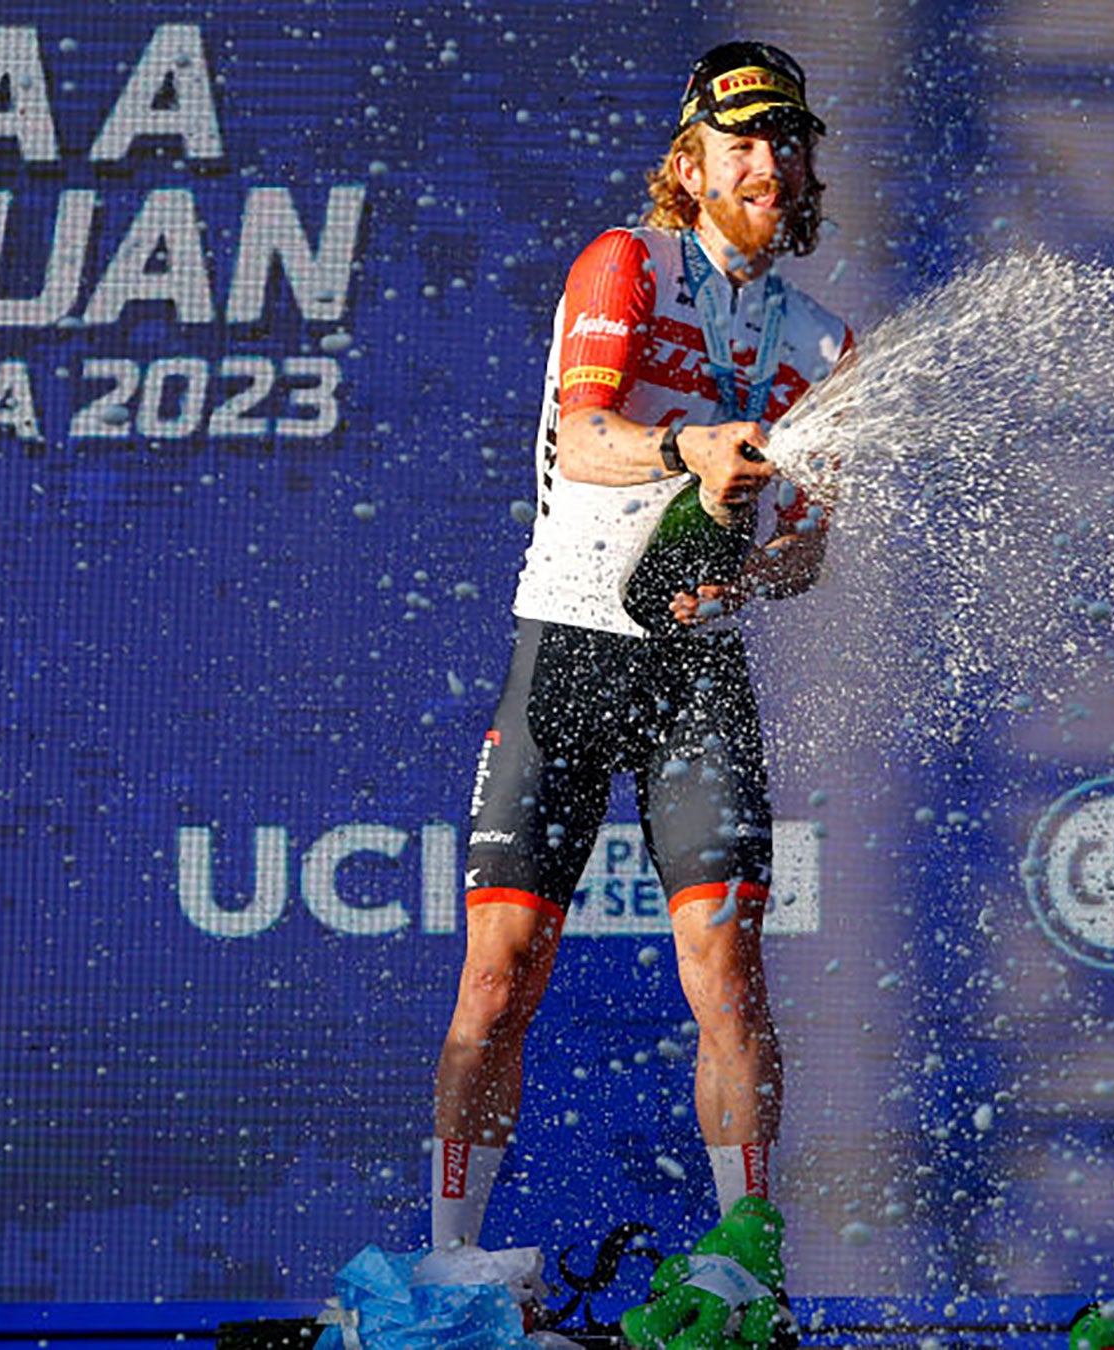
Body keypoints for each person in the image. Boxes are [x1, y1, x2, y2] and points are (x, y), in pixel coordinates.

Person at [429, 41, 852, 1257]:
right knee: (498, 980)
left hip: (695, 668)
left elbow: (806, 556)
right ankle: (454, 1268)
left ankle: (746, 1263)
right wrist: (697, 451)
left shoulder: (827, 350)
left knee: (727, 977)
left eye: (787, 140)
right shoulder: (630, 263)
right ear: (690, 162)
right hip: (566, 645)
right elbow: (589, 434)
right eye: (742, 141)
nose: (768, 161)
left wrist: (744, 554)